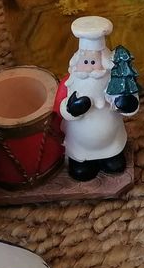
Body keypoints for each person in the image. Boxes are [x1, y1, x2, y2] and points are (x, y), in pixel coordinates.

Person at [58, 16, 139, 181]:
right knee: (82, 172)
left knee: (115, 163)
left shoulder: (114, 82)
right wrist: (72, 109)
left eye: (94, 62)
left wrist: (127, 103)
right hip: (79, 144)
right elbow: (60, 107)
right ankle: (81, 162)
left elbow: (129, 102)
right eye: (85, 61)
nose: (89, 67)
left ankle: (111, 156)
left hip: (112, 141)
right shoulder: (70, 83)